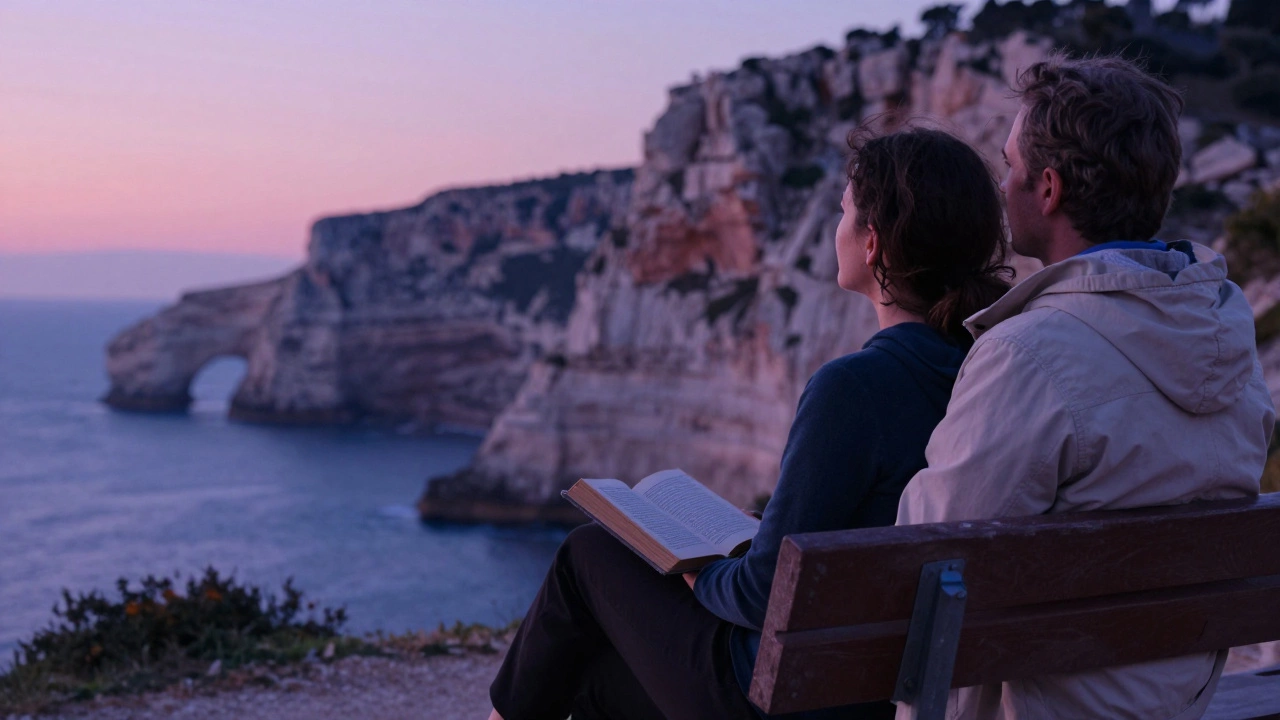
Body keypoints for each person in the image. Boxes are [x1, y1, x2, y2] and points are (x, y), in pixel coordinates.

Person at [485, 125, 1012, 720]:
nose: (831, 229)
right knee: (598, 684)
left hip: (784, 699)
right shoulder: (990, 375)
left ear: (872, 244)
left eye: (842, 213)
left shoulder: (855, 388)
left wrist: (700, 569)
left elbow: (763, 593)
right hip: (884, 692)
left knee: (585, 556)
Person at [896, 54, 1277, 720]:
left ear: (1047, 190)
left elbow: (922, 565)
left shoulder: (1029, 355)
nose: (1003, 185)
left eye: (1010, 165)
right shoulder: (1231, 341)